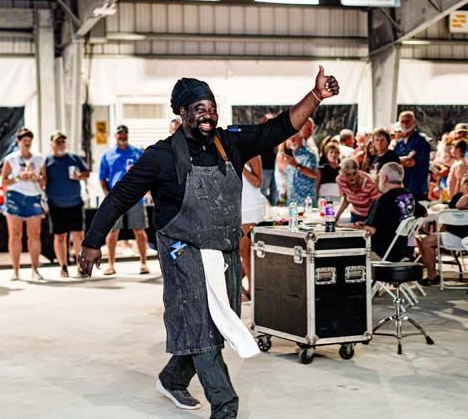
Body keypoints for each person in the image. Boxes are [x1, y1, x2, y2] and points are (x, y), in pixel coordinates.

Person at [78, 68, 340, 419]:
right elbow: (120, 197)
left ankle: (173, 378)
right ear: (182, 114)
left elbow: (280, 127)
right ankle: (225, 407)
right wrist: (92, 241)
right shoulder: (161, 156)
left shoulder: (230, 142)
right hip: (183, 250)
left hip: (224, 249)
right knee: (201, 323)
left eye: (211, 107)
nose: (207, 114)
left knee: (216, 323)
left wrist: (316, 95)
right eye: (198, 108)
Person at [417, 172, 468, 290]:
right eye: (467, 184)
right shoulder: (456, 197)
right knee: (426, 242)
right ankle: (432, 276)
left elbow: (462, 205)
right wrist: (439, 231)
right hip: (453, 235)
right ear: (462, 185)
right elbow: (450, 217)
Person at [99, 125, 149, 275]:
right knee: (113, 231)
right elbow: (102, 178)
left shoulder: (137, 153)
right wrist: (108, 195)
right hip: (116, 198)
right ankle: (111, 265)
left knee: (139, 231)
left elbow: (147, 173)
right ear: (115, 136)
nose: (122, 137)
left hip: (135, 197)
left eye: (125, 134)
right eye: (120, 134)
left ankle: (144, 263)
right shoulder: (107, 155)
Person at [42, 130, 90, 278]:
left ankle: (80, 265)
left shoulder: (74, 158)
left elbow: (86, 173)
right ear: (52, 145)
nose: (61, 144)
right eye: (58, 142)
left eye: (63, 141)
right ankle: (63, 266)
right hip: (55, 204)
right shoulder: (47, 161)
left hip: (75, 202)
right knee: (60, 236)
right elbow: (43, 180)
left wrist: (80, 176)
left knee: (78, 235)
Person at [358, 162, 426, 261]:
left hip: (383, 252)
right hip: (404, 248)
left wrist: (353, 226)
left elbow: (371, 229)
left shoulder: (384, 200)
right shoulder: (409, 196)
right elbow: (423, 212)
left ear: (384, 178)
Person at [2, 128, 46, 281]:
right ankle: (15, 270)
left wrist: (36, 176)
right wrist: (18, 178)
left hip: (33, 196)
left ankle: (35, 269)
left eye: (29, 140)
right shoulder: (11, 159)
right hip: (15, 196)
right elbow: (4, 181)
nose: (26, 143)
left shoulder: (39, 158)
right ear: (18, 142)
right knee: (15, 235)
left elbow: (44, 180)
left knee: (34, 235)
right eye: (23, 140)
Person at [240, 155, 266, 301]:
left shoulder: (254, 156)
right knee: (241, 251)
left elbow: (258, 182)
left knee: (245, 251)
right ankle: (238, 285)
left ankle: (252, 291)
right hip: (238, 206)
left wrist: (241, 166)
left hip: (251, 208)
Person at [393, 111, 431, 200]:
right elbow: (392, 163)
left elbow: (411, 162)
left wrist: (398, 161)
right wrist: (404, 159)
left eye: (408, 121)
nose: (405, 124)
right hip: (401, 188)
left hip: (416, 188)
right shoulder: (399, 143)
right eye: (402, 121)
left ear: (414, 123)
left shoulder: (420, 141)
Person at [335, 158, 379, 224]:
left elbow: (376, 205)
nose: (353, 177)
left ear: (358, 170)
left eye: (354, 173)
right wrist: (336, 218)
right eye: (348, 175)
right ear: (343, 174)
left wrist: (367, 222)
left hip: (370, 215)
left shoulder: (370, 183)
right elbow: (346, 200)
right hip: (355, 214)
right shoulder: (341, 180)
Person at [281, 131, 318, 206]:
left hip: (306, 203)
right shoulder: (289, 156)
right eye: (289, 139)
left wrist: (296, 165)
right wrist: (282, 200)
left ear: (301, 138)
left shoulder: (310, 155)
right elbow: (289, 181)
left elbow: (314, 175)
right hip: (291, 204)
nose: (292, 141)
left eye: (294, 138)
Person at [259, 113, 280, 206]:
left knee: (274, 191)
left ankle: (273, 209)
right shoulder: (260, 135)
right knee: (263, 190)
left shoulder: (276, 135)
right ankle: (262, 209)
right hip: (264, 168)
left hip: (275, 168)